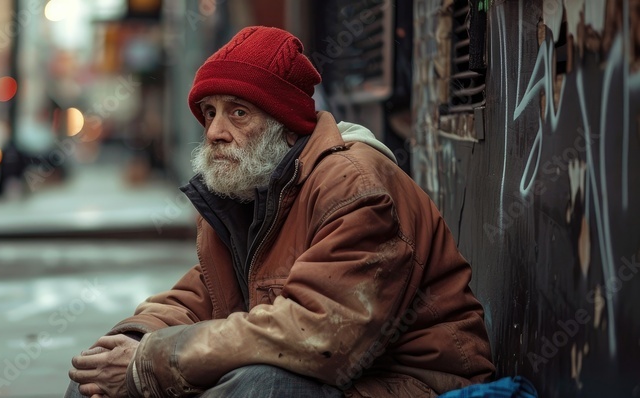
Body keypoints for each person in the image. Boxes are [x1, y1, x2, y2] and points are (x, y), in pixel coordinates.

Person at [66, 26, 495, 397]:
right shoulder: (247, 192)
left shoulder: (354, 186)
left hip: (409, 384)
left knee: (259, 387)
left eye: (238, 112)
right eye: (210, 113)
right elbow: (202, 298)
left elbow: (320, 335)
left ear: (286, 127)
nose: (215, 132)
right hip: (329, 377)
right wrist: (130, 343)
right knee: (95, 380)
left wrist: (151, 361)